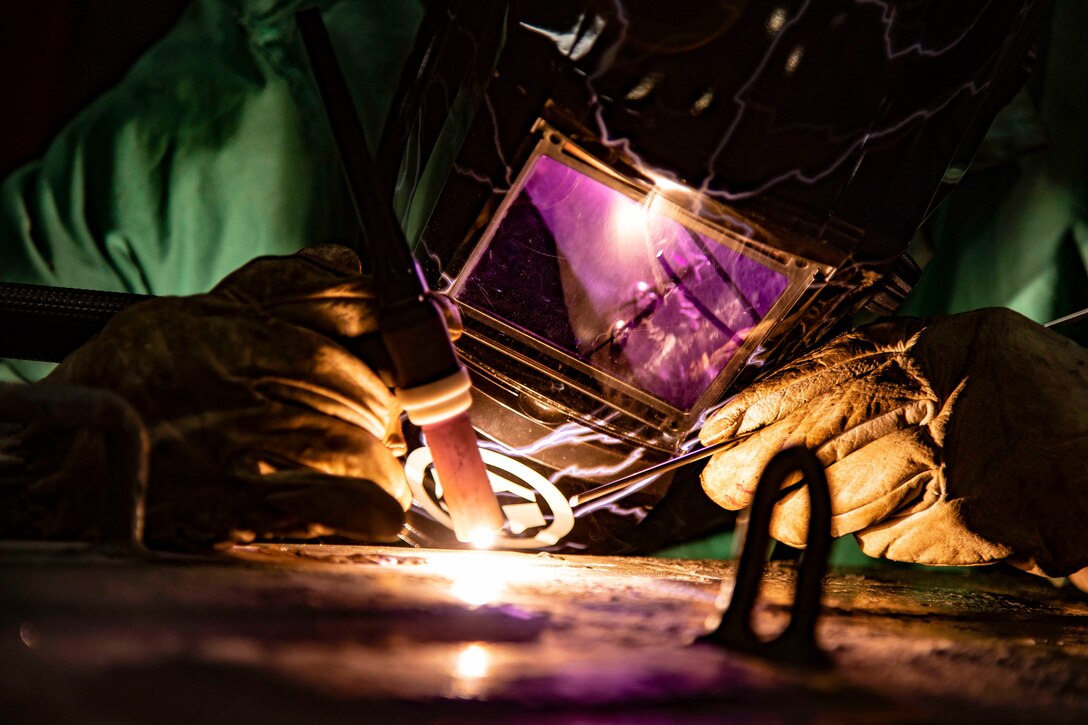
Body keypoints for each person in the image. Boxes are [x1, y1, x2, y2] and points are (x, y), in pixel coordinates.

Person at [1, 0, 1085, 582]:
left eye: (731, 280)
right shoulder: (228, 133)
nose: (626, 316)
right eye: (557, 239)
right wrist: (59, 458)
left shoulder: (1047, 162)